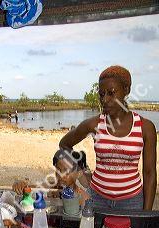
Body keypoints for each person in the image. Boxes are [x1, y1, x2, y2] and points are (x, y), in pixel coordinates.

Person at [59, 65, 157, 211]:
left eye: (111, 93)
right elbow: (64, 144)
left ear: (126, 90)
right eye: (101, 94)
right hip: (97, 198)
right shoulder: (94, 124)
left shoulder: (145, 127)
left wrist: (146, 214)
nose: (104, 99)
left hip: (132, 201)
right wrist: (82, 169)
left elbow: (149, 173)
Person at [12, 147, 91, 206]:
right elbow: (28, 188)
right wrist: (20, 184)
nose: (61, 176)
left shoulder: (83, 197)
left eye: (67, 172)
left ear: (79, 173)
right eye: (58, 170)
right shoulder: (51, 187)